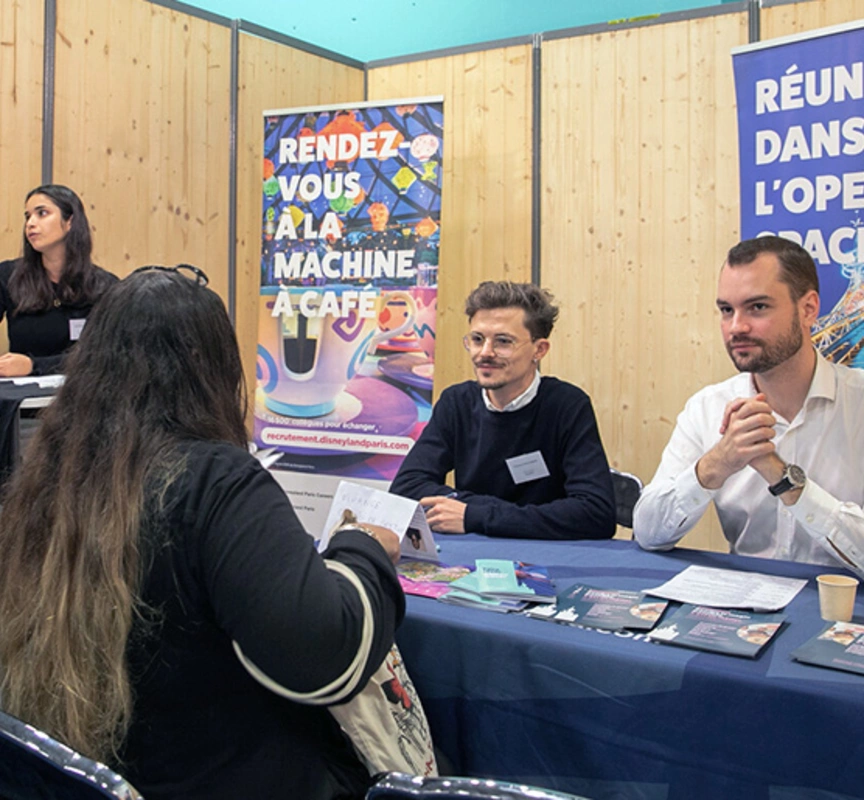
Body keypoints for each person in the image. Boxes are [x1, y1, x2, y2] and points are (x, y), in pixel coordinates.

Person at [0, 266, 404, 800]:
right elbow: (324, 657)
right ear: (210, 364)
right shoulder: (217, 481)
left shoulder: (49, 474)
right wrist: (364, 547)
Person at [634, 236, 864, 575]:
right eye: (727, 310)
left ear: (808, 309)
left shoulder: (857, 402)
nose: (736, 327)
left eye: (757, 307)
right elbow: (648, 532)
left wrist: (783, 478)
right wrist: (716, 464)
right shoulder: (707, 408)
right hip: (746, 603)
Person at [390, 280, 616, 540]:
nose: (485, 353)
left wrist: (475, 514)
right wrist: (485, 513)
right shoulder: (456, 403)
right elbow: (406, 488)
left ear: (539, 349)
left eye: (503, 342)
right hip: (472, 551)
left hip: (544, 553)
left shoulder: (567, 406)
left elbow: (597, 513)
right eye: (477, 339)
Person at [0, 184, 117, 376]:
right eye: (28, 216)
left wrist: (34, 366)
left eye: (42, 213)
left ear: (70, 221)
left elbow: (107, 356)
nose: (30, 223)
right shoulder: (7, 275)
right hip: (23, 394)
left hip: (84, 390)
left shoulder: (105, 286)